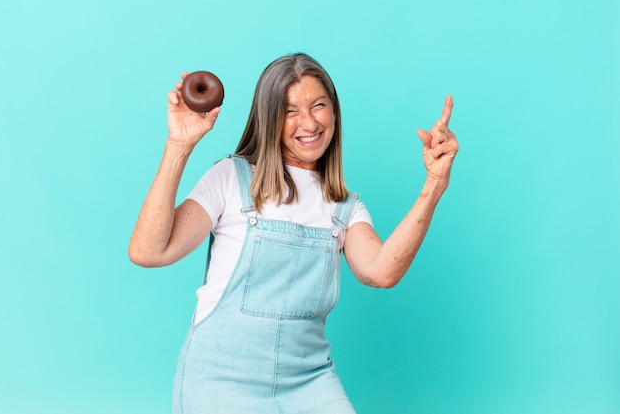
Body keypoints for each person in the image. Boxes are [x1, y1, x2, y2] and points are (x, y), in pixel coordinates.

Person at [129, 53, 458, 414]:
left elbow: (381, 272)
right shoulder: (231, 178)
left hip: (310, 381)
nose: (309, 122)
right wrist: (179, 146)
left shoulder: (343, 206)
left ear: (334, 112)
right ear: (269, 119)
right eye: (289, 111)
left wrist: (434, 185)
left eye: (318, 105)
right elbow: (149, 252)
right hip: (220, 380)